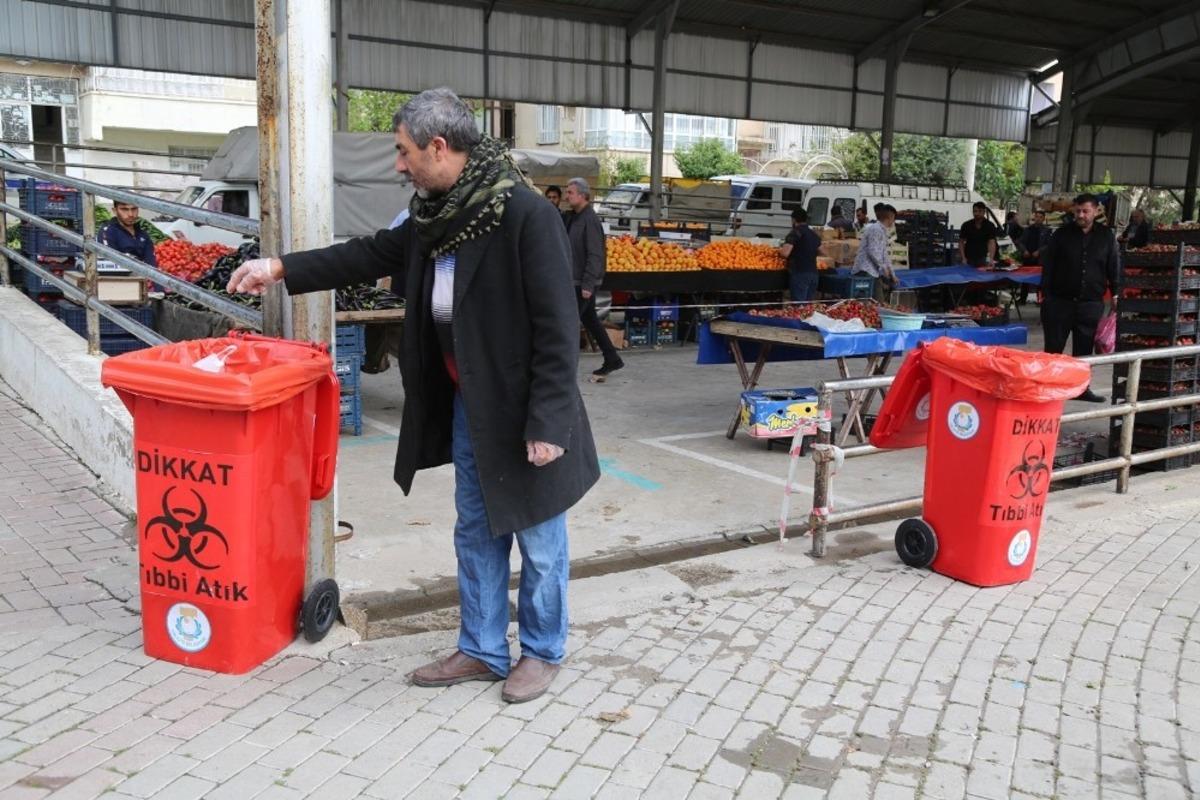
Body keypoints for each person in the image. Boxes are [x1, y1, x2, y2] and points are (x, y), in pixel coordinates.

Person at [226, 88, 600, 703]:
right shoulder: (432, 214)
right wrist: (280, 268)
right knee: (475, 530)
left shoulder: (523, 216)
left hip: (523, 407)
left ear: (438, 147)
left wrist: (549, 424)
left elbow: (558, 329)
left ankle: (541, 651)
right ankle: (480, 648)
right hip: (467, 406)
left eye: (402, 152)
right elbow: (367, 253)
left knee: (538, 536)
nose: (398, 164)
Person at [1040, 193, 1121, 403]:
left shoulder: (1107, 236)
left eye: (1086, 211)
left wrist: (1116, 293)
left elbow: (1114, 267)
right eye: (1078, 211)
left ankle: (1081, 389)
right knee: (1053, 348)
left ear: (1096, 211)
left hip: (1090, 304)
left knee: (1083, 350)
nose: (1081, 215)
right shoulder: (1061, 235)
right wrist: (1046, 295)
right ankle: (1049, 387)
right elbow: (1048, 266)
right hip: (1059, 301)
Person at [563, 177, 623, 376]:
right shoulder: (573, 216)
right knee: (591, 321)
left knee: (569, 323)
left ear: (582, 195)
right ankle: (612, 358)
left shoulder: (590, 220)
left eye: (570, 192)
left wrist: (588, 284)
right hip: (576, 279)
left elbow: (595, 254)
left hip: (583, 282)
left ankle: (563, 367)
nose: (567, 196)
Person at [852, 204, 897, 302]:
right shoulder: (875, 229)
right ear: (890, 217)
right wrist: (884, 267)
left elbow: (884, 254)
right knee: (865, 302)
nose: (893, 222)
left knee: (877, 301)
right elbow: (873, 251)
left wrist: (892, 274)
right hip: (865, 270)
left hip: (872, 271)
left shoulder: (882, 231)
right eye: (894, 219)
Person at [780, 208, 821, 301]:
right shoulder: (814, 234)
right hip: (814, 274)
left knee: (798, 307)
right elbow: (823, 252)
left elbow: (785, 253)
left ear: (794, 220)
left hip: (800, 273)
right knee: (807, 308)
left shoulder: (795, 233)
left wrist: (779, 250)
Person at [100, 201, 157, 268]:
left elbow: (151, 263)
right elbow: (110, 261)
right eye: (124, 209)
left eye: (134, 209)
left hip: (143, 276)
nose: (130, 214)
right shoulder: (108, 232)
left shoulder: (143, 234)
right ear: (115, 211)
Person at [958, 202, 998, 266]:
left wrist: (991, 259)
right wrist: (963, 258)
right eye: (975, 211)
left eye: (980, 211)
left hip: (983, 258)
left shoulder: (990, 225)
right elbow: (961, 242)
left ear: (984, 212)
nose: (977, 213)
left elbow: (992, 242)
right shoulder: (966, 225)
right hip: (968, 258)